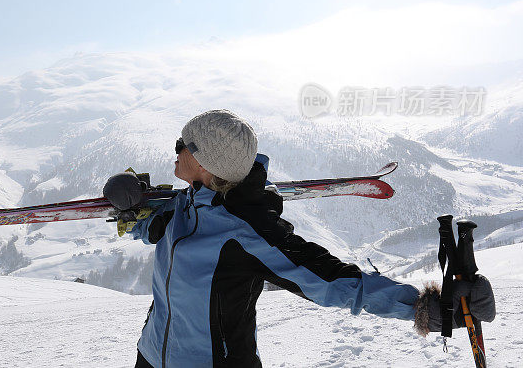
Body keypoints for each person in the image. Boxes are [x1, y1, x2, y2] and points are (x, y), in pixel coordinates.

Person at [103, 109, 495, 368]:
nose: (174, 151)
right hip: (151, 356)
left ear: (205, 163)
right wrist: (131, 207)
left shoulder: (245, 232)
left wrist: (428, 309)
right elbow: (152, 229)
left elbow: (332, 281)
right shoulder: (184, 205)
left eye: (181, 146)